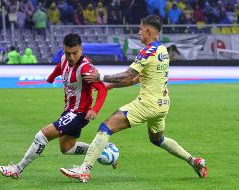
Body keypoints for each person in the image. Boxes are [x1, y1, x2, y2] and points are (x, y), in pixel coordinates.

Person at [59, 15, 208, 183]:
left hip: (147, 104)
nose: (139, 33)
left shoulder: (148, 51)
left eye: (140, 29)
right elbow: (136, 79)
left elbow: (128, 75)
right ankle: (194, 161)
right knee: (157, 139)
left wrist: (100, 77)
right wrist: (113, 85)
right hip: (163, 104)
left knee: (105, 127)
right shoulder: (162, 50)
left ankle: (84, 170)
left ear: (149, 31)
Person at [0, 33, 108, 179]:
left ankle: (17, 169)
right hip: (69, 111)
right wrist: (51, 77)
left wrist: (95, 109)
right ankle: (102, 149)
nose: (71, 57)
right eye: (68, 53)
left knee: (42, 135)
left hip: (79, 113)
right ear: (63, 50)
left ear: (81, 49)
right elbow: (59, 66)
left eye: (75, 53)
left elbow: (102, 89)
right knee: (67, 148)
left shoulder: (85, 68)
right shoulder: (64, 59)